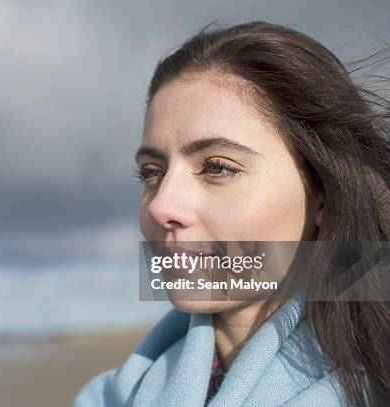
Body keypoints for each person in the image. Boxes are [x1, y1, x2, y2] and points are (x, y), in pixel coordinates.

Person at [74, 21, 389, 407]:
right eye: (152, 173)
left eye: (217, 168)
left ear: (321, 193)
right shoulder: (111, 396)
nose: (160, 206)